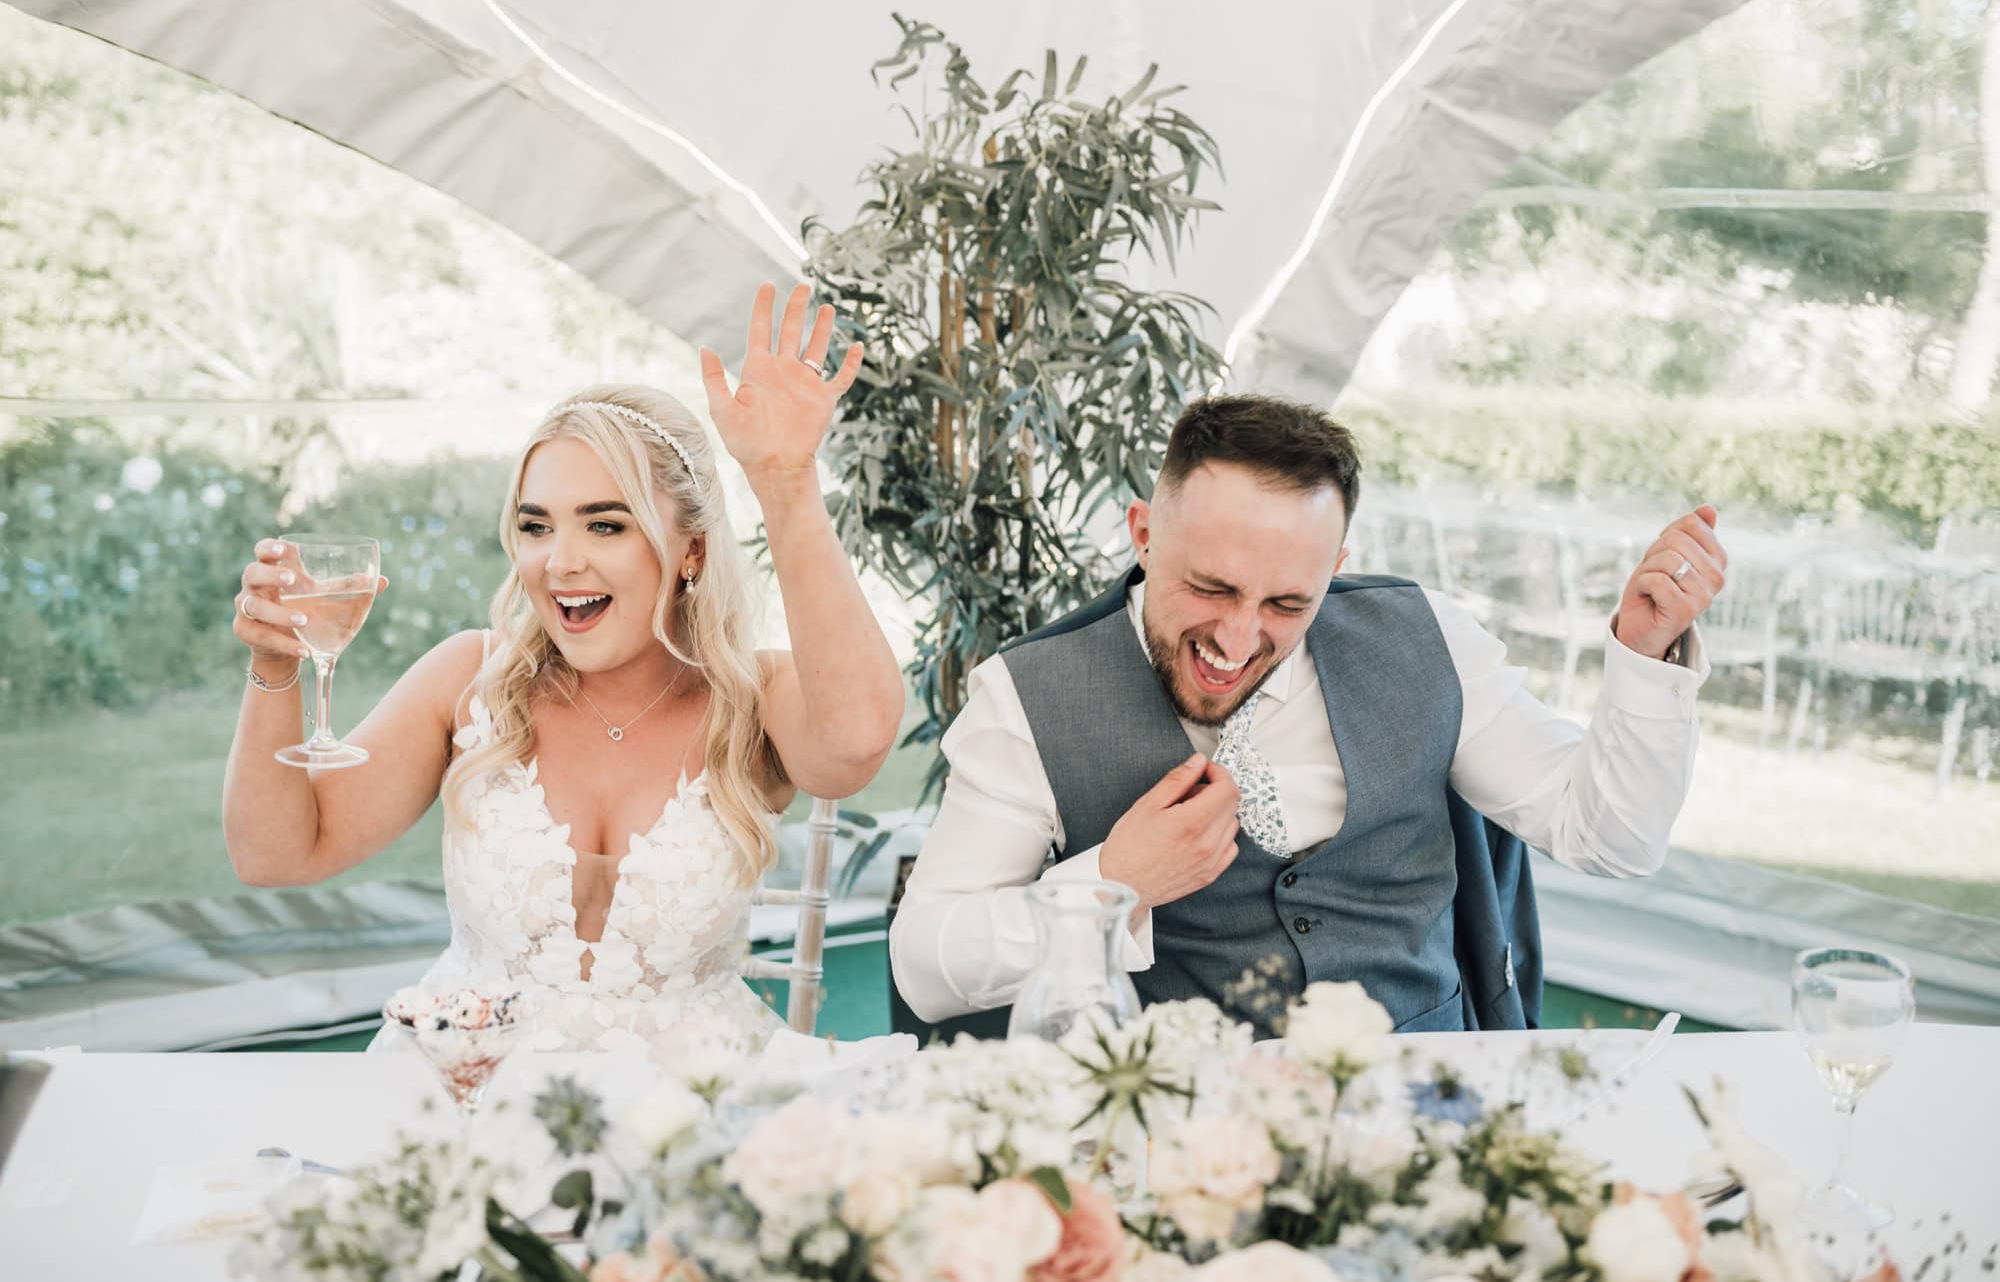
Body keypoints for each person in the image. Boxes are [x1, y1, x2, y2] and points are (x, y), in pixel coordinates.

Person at [889, 394, 1725, 1036]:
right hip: (1175, 1146)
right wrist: (1116, 883)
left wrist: (1645, 657)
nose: (1238, 635)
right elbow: (924, 963)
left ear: (1338, 566)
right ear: (1144, 533)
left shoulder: (1427, 638)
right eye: (1210, 587)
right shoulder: (1027, 696)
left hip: (1434, 1117)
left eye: (1288, 600)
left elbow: (1612, 838)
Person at [223, 284, 904, 1063]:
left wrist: (784, 481)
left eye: (605, 524)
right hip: (463, 1100)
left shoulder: (755, 698)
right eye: (536, 525)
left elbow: (856, 742)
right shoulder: (467, 680)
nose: (560, 561)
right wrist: (274, 667)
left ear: (691, 550)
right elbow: (276, 853)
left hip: (691, 1120)